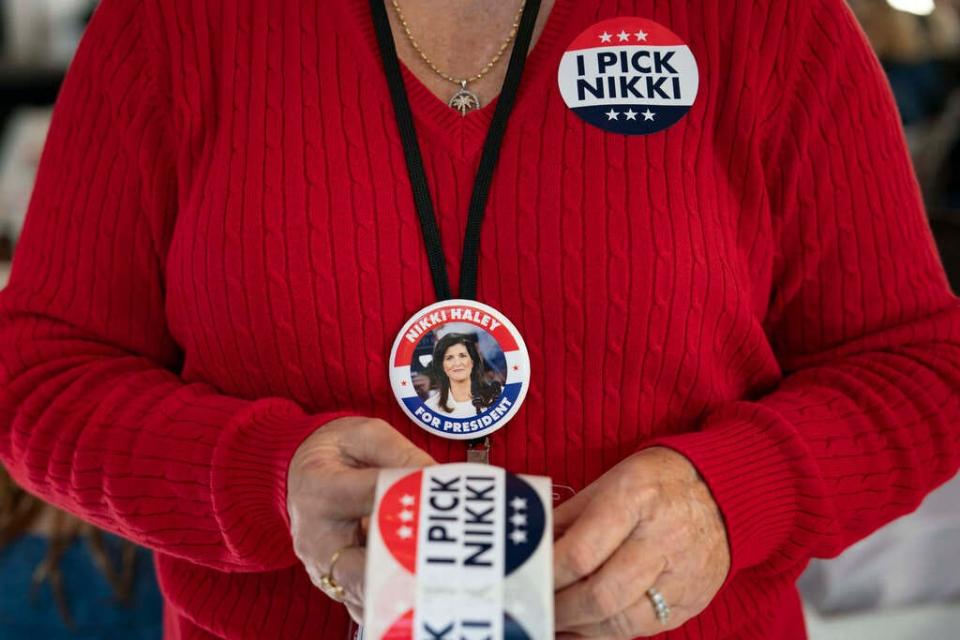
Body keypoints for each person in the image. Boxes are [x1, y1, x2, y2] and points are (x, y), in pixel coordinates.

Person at [0, 0, 958, 638]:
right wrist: (263, 481)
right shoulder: (175, 26)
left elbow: (919, 366)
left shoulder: (766, 24)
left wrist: (733, 494)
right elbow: (40, 376)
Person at [422, 333, 503, 418]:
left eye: (463, 356)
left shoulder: (501, 395)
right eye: (449, 358)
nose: (457, 363)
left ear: (472, 361)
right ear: (441, 366)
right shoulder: (429, 407)